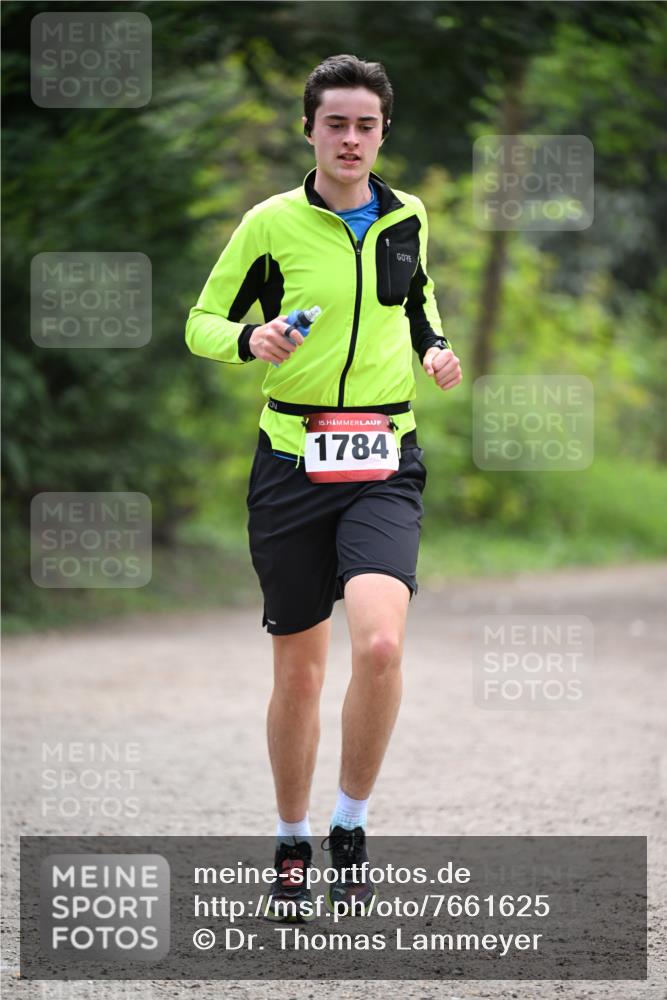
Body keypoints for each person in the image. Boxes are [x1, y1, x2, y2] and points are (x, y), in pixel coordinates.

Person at [185, 53, 462, 922]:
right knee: (300, 676)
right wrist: (248, 342)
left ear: (383, 134)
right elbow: (200, 323)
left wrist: (433, 350)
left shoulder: (407, 214)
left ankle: (350, 823)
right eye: (335, 122)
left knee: (379, 647)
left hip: (384, 457)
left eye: (365, 125)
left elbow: (417, 303)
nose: (350, 138)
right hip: (291, 463)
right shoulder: (268, 224)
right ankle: (290, 836)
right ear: (308, 128)